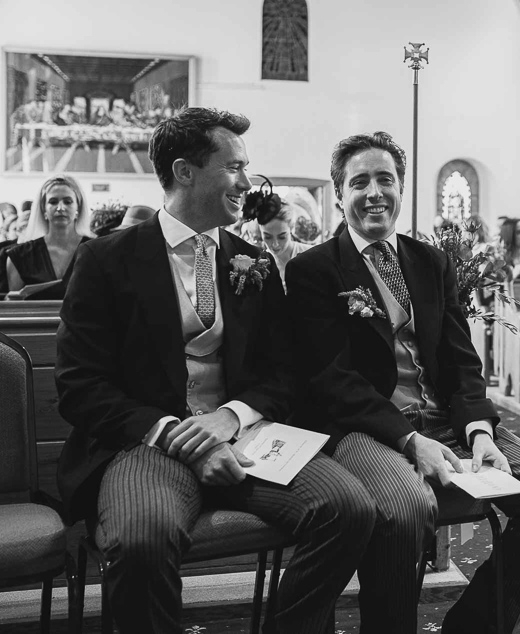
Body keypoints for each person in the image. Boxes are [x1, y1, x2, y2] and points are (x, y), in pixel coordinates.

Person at [55, 107, 374, 633]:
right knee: (140, 542)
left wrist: (230, 418)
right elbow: (80, 386)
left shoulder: (254, 261)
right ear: (185, 172)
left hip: (245, 436)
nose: (247, 183)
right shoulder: (106, 261)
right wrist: (178, 436)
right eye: (234, 168)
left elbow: (282, 373)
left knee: (349, 509)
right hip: (147, 443)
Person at [285, 131, 520, 634]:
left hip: (446, 422)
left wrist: (480, 434)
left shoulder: (430, 262)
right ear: (339, 194)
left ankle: (473, 625)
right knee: (407, 507)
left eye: (386, 179)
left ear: (402, 188)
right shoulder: (313, 269)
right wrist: (409, 439)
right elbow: (331, 380)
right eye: (360, 182)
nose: (375, 191)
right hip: (369, 430)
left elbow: (460, 361)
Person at [5, 175, 92, 299]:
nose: (60, 208)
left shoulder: (95, 251)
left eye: (68, 202)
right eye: (53, 201)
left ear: (78, 207)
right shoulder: (19, 256)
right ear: (43, 209)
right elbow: (15, 308)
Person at [258, 200, 313, 289]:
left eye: (282, 237)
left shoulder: (311, 255)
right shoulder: (261, 263)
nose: (275, 244)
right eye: (268, 237)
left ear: (291, 229)